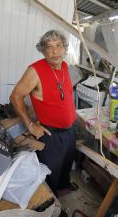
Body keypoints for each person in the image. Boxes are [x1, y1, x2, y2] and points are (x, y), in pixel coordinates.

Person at [10, 30, 77, 196]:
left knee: (66, 164)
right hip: (51, 134)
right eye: (49, 47)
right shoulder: (35, 70)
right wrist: (30, 124)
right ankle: (51, 202)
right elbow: (15, 96)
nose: (55, 51)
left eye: (59, 46)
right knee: (50, 173)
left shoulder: (65, 67)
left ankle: (63, 187)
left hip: (70, 131)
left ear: (65, 49)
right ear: (43, 50)